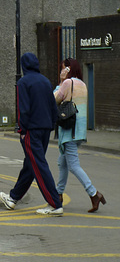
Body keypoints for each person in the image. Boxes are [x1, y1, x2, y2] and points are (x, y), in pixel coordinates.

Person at [0, 52, 63, 216]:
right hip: (45, 129)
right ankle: (13, 198)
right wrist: (53, 124)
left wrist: (22, 129)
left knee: (39, 165)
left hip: (31, 130)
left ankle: (55, 203)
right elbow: (53, 106)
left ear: (23, 65)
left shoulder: (23, 82)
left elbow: (23, 109)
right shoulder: (45, 81)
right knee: (31, 164)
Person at [54, 58, 106, 213]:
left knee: (74, 166)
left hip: (69, 130)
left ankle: (94, 193)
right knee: (62, 163)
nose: (62, 71)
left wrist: (61, 81)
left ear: (68, 69)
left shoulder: (67, 83)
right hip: (79, 131)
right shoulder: (82, 84)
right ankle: (58, 195)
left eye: (63, 68)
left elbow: (54, 99)